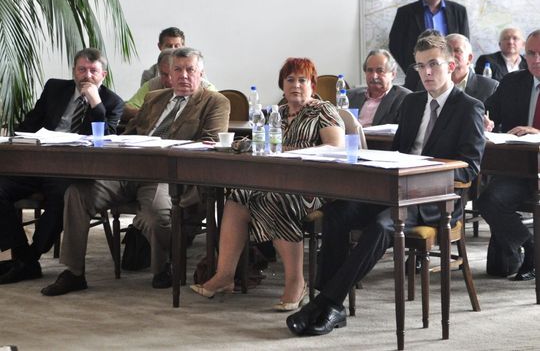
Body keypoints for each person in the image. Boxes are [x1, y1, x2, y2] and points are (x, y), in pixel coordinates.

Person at [286, 35, 485, 336]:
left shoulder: (469, 107)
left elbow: (470, 167)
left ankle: (327, 303)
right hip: (397, 190)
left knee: (383, 225)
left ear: (451, 65)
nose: (427, 72)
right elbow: (398, 152)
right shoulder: (412, 102)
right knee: (337, 213)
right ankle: (329, 304)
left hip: (435, 199)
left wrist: (425, 170)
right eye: (420, 66)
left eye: (433, 64)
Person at [41, 47, 230, 296]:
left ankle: (162, 268)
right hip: (128, 171)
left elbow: (210, 144)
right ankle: (74, 272)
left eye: (190, 70)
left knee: (155, 214)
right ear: (169, 74)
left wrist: (166, 149)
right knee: (77, 194)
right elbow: (130, 132)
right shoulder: (154, 98)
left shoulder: (215, 102)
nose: (183, 75)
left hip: (167, 175)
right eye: (177, 69)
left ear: (201, 73)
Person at [190, 58, 345, 311]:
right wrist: (232, 145)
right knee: (237, 196)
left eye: (302, 80)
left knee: (275, 198)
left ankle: (296, 282)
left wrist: (288, 150)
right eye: (290, 80)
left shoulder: (323, 110)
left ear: (313, 85)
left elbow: (335, 149)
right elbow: (260, 144)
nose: (296, 85)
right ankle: (225, 275)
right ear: (282, 85)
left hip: (314, 186)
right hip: (275, 182)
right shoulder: (277, 113)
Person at [0, 48, 124, 284]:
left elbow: (106, 141)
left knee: (64, 197)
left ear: (103, 75)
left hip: (73, 169)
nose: (87, 75)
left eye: (93, 71)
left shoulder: (112, 102)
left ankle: (29, 259)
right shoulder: (55, 88)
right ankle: (22, 255)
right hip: (37, 162)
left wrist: (96, 104)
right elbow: (30, 124)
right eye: (81, 69)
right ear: (74, 71)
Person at [476, 29, 540, 282]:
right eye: (531, 53)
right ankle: (531, 247)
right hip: (520, 169)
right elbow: (487, 111)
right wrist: (485, 121)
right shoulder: (513, 82)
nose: (536, 59)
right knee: (488, 200)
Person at [389, 0, 469, 72]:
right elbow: (395, 45)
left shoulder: (459, 11)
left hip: (451, 72)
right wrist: (413, 69)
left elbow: (465, 44)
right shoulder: (405, 13)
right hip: (419, 73)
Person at [123, 48, 217, 122]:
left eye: (189, 70)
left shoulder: (208, 90)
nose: (169, 79)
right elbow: (126, 109)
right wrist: (153, 116)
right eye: (164, 74)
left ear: (200, 73)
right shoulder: (152, 87)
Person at [347, 49, 410, 127]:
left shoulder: (405, 98)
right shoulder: (350, 96)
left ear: (393, 74)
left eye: (380, 71)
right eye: (370, 70)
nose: (374, 76)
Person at [446, 34, 499, 104]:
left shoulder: (490, 87)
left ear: (469, 58)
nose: (451, 54)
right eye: (447, 50)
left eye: (457, 50)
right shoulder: (433, 84)